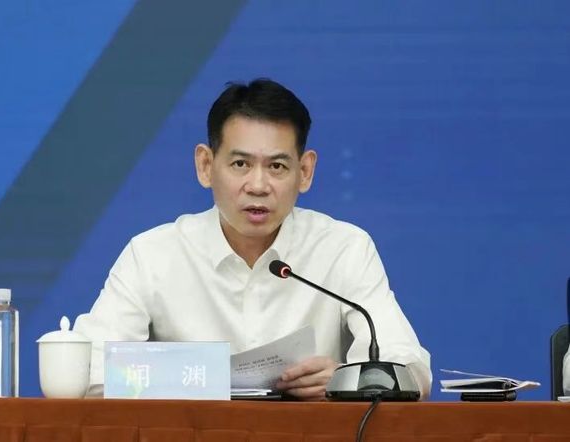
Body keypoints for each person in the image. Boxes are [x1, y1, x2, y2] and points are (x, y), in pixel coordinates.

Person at [73, 78, 432, 400]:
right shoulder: (153, 255)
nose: (258, 186)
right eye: (240, 164)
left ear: (305, 172)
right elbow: (86, 373)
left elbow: (410, 369)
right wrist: (197, 378)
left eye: (277, 166)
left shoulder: (343, 248)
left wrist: (344, 382)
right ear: (205, 166)